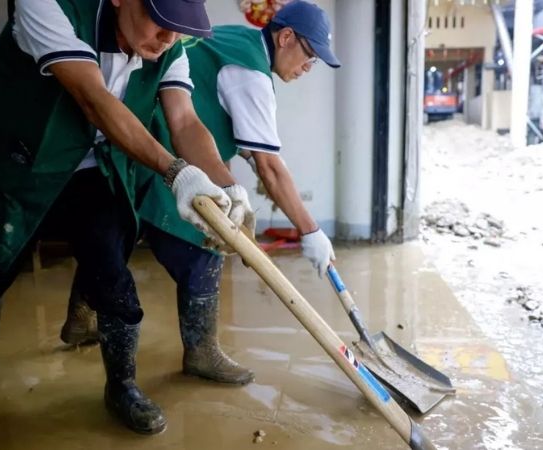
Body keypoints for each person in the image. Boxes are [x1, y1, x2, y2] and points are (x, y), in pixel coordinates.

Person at [0, 0, 256, 436]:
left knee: (111, 275)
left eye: (178, 28)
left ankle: (122, 385)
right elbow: (92, 98)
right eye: (160, 21)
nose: (169, 39)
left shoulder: (169, 46)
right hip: (15, 164)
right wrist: (177, 173)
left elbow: (184, 120)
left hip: (90, 168)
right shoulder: (49, 5)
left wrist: (226, 185)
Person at [60, 0, 340, 387]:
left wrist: (233, 183)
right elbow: (270, 168)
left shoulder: (237, 40)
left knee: (116, 238)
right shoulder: (251, 74)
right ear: (286, 37)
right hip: (162, 151)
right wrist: (311, 230)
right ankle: (201, 351)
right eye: (309, 54)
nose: (309, 67)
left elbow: (222, 126)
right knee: (206, 244)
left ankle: (81, 317)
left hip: (133, 142)